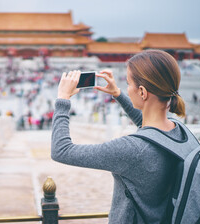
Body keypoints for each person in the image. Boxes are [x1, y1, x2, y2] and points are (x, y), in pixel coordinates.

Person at [52, 49, 187, 223]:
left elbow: (61, 151)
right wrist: (117, 93)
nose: (127, 89)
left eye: (128, 84)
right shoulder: (180, 131)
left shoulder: (132, 150)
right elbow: (149, 128)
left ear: (142, 92)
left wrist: (63, 99)